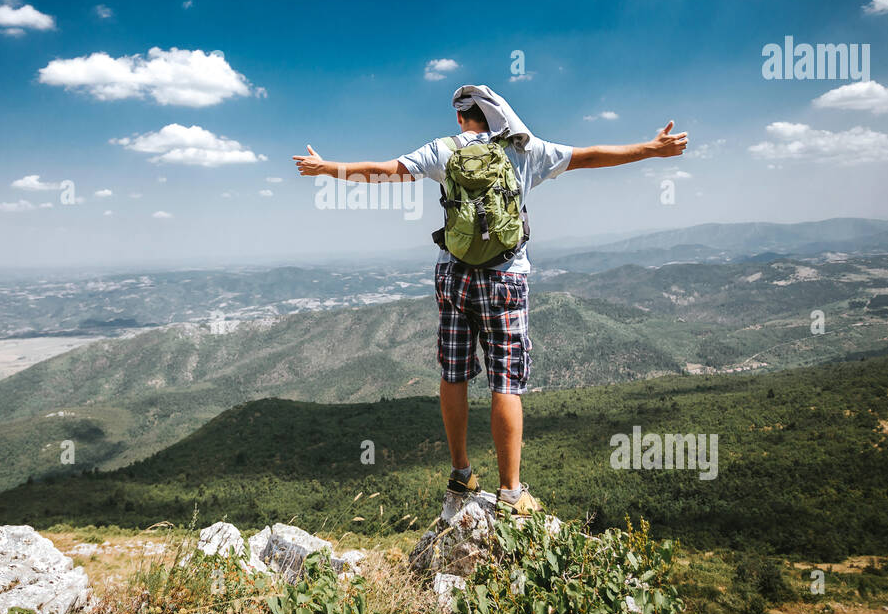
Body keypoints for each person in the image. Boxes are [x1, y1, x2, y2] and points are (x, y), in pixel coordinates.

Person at [293, 86, 688, 514]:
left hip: (454, 276)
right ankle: (511, 492)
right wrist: (652, 149)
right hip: (505, 278)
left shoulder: (444, 150)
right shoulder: (525, 149)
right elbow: (591, 155)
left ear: (464, 117)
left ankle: (461, 475)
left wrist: (326, 169)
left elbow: (385, 172)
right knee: (506, 382)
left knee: (455, 374)